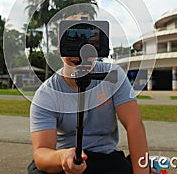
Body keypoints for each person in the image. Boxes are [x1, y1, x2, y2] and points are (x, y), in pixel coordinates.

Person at [27, 19, 150, 174]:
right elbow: (41, 153)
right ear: (59, 48)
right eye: (72, 41)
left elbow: (134, 125)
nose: (79, 51)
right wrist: (62, 157)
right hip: (65, 158)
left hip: (107, 158)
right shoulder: (47, 94)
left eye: (87, 43)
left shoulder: (113, 76)